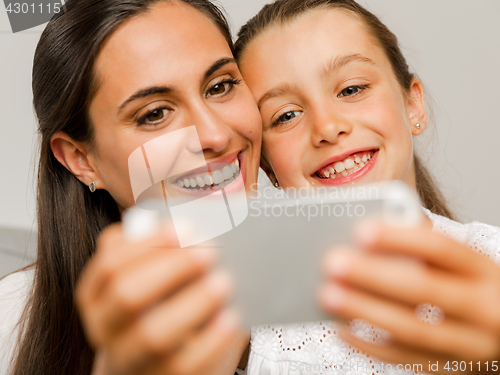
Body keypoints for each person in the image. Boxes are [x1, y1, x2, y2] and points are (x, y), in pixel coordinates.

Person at [234, 0, 500, 373]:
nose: (327, 128)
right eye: (286, 115)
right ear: (268, 166)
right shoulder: (242, 326)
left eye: (351, 89)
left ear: (413, 104)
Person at [0, 0, 262, 374]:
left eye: (220, 86)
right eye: (154, 114)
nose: (216, 134)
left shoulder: (341, 292)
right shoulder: (9, 321)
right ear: (81, 160)